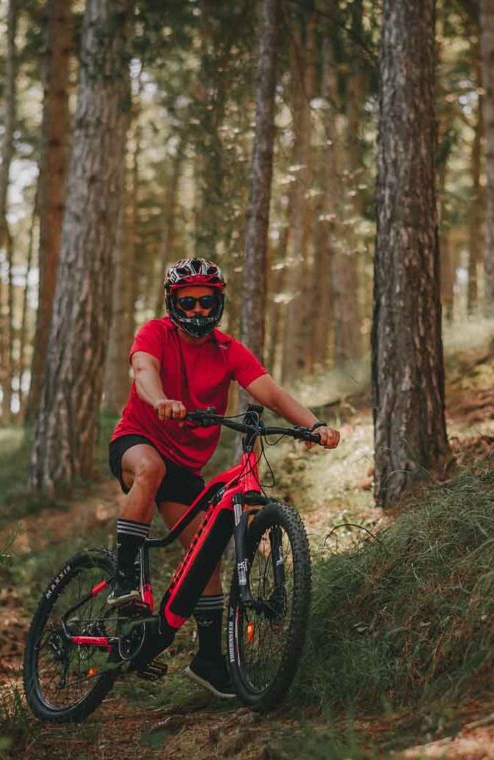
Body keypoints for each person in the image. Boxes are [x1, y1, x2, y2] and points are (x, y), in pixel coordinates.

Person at [107, 257, 340, 698]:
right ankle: (124, 574)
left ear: (218, 303)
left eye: (205, 302)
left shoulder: (227, 349)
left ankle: (209, 659)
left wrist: (314, 425)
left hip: (185, 467)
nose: (196, 310)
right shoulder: (154, 333)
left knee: (205, 552)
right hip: (138, 440)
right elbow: (143, 373)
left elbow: (269, 391)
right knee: (151, 468)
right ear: (173, 303)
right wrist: (160, 401)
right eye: (187, 302)